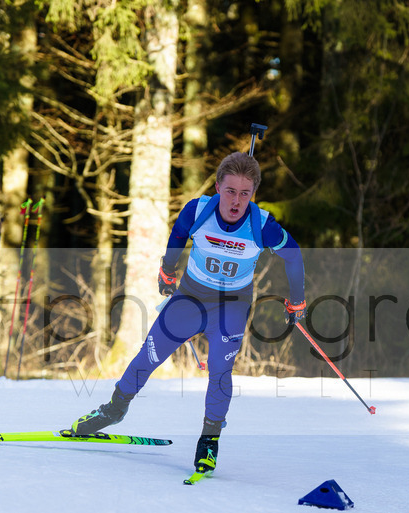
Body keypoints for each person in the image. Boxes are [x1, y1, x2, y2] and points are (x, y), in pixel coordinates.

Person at [69, 151, 306, 478]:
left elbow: (294, 255)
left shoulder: (262, 225)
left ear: (254, 193)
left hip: (231, 305)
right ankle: (114, 409)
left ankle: (209, 440)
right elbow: (179, 234)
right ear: (218, 187)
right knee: (149, 355)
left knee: (220, 371)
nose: (237, 201)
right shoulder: (198, 210)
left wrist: (297, 301)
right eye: (230, 191)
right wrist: (167, 270)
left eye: (245, 193)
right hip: (191, 298)